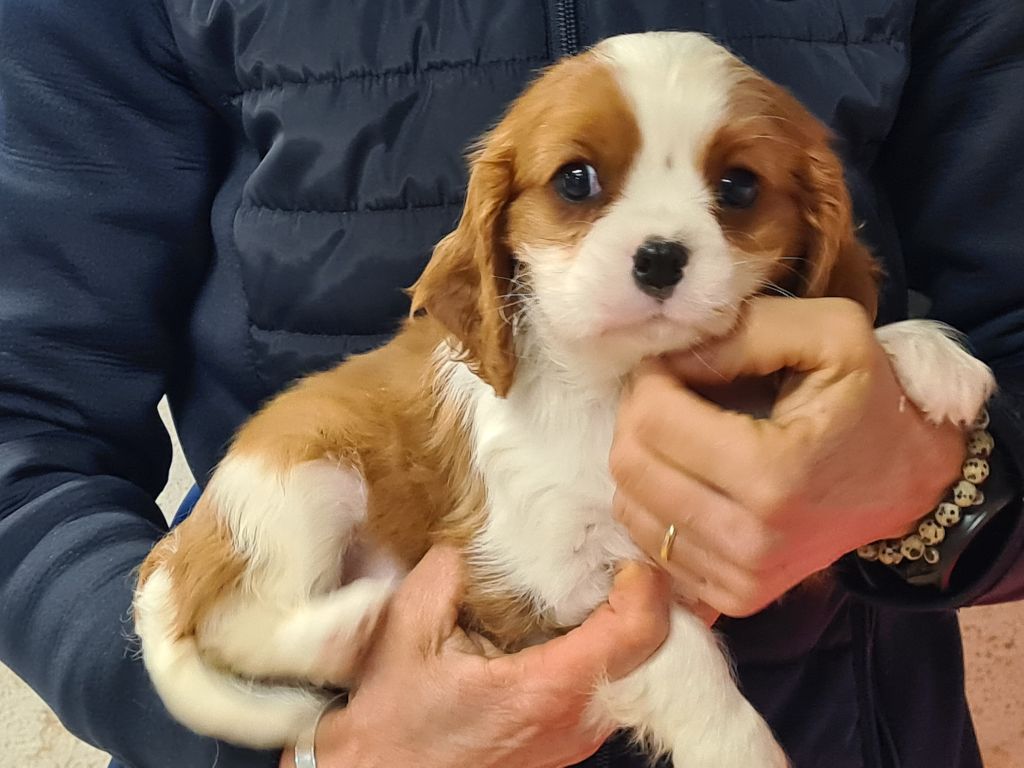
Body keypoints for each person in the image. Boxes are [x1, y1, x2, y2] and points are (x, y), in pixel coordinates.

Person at [1, 1, 1022, 767]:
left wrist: (945, 476)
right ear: (489, 251)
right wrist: (304, 749)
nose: (662, 243)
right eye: (579, 184)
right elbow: (25, 429)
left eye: (734, 189)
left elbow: (998, 341)